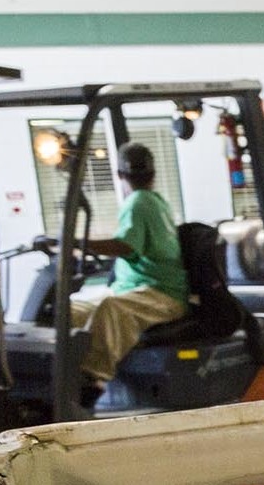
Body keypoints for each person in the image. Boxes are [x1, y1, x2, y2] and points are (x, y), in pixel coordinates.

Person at [61, 141, 189, 388]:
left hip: (161, 293)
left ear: (119, 175)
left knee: (111, 309)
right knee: (69, 309)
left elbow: (125, 246)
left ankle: (92, 381)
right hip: (134, 288)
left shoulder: (139, 201)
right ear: (153, 174)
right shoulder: (154, 200)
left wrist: (77, 243)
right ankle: (61, 373)